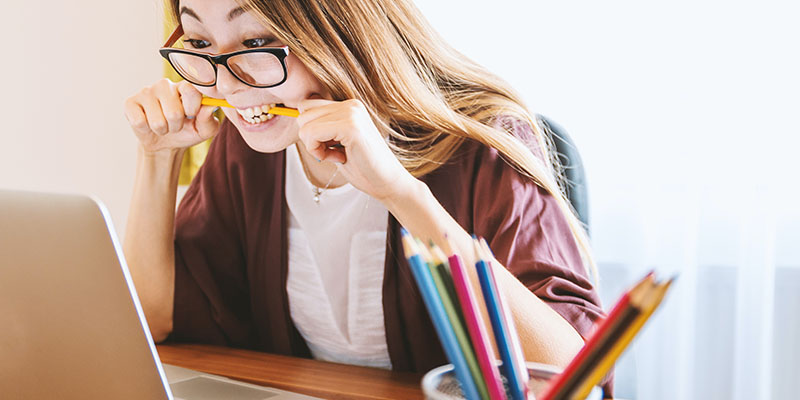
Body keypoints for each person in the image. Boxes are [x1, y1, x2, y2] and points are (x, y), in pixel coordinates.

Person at [123, 0, 611, 393]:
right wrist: (157, 157)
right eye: (201, 43)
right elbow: (154, 320)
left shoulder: (484, 143)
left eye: (257, 41)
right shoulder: (249, 146)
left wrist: (399, 193)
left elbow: (570, 373)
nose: (226, 84)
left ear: (339, 31)